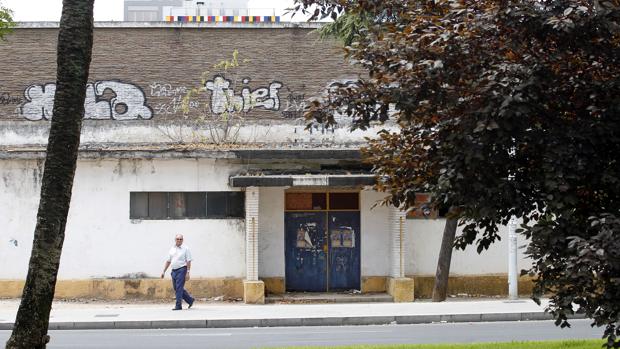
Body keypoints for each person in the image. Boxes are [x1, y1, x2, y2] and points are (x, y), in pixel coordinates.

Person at [161, 234, 195, 310]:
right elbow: (168, 261)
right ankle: (190, 300)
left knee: (179, 288)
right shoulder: (172, 249)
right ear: (175, 240)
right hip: (174, 270)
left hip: (182, 269)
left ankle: (178, 305)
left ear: (182, 240)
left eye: (180, 239)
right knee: (176, 288)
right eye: (177, 239)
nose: (179, 240)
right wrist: (163, 271)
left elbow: (188, 261)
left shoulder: (186, 249)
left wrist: (188, 272)